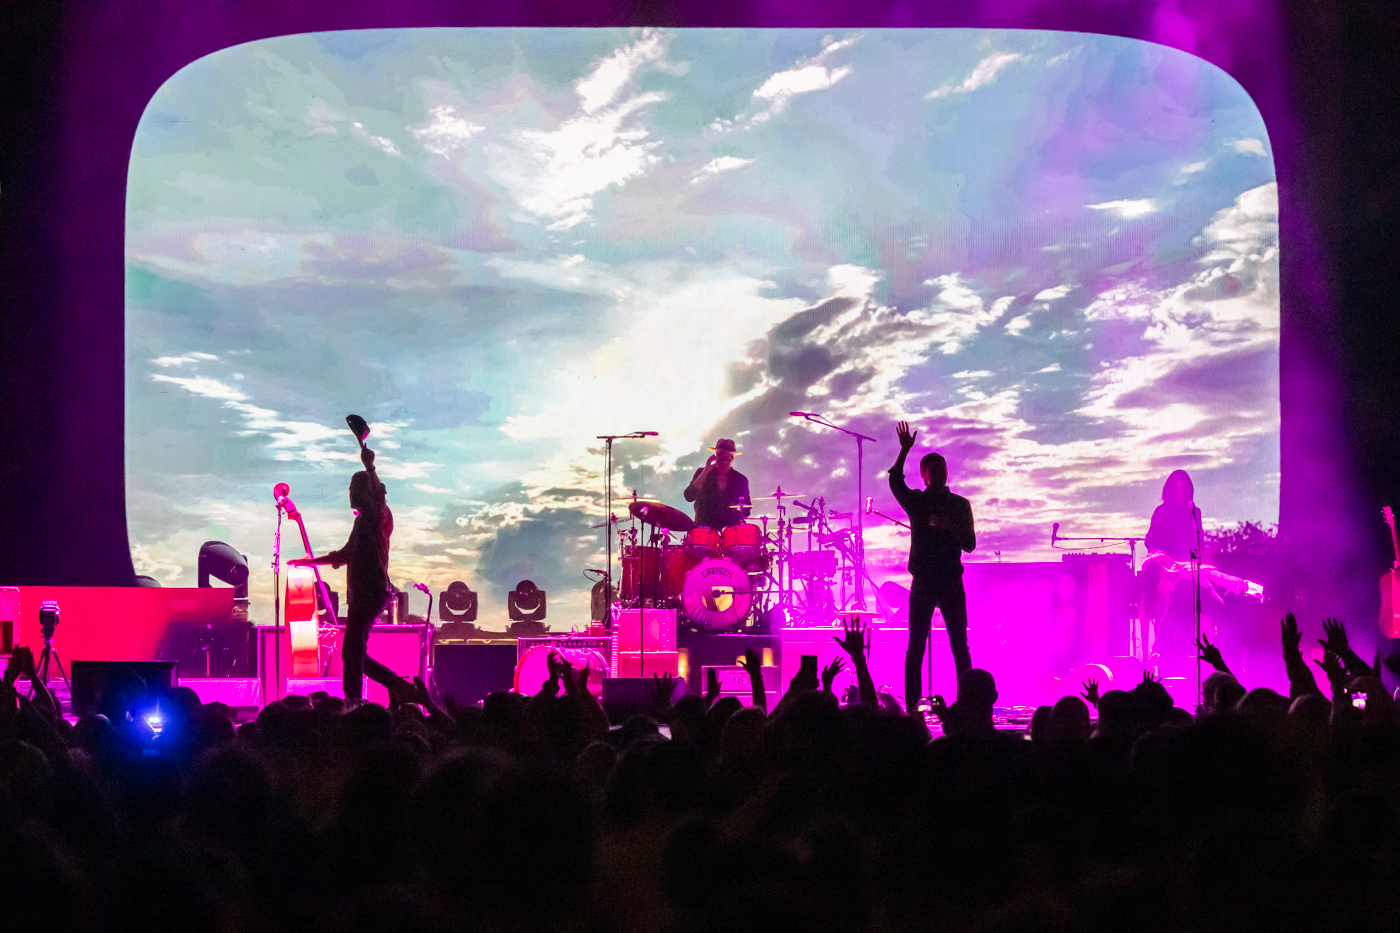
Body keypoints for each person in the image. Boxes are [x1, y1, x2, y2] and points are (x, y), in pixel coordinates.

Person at [291, 442, 413, 704]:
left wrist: (370, 467)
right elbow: (346, 554)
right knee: (353, 653)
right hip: (365, 591)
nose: (350, 494)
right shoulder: (363, 521)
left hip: (370, 590)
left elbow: (378, 496)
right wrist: (310, 562)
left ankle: (355, 702)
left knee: (352, 652)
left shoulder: (376, 514)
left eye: (354, 488)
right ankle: (395, 686)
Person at [889, 421, 976, 715]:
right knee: (916, 647)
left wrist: (950, 525)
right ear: (924, 475)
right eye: (934, 471)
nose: (940, 474)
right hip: (925, 581)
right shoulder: (917, 502)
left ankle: (968, 707)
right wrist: (904, 451)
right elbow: (895, 483)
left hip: (950, 580)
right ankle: (913, 710)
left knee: (959, 646)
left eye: (943, 470)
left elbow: (970, 544)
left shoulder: (959, 505)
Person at [1140, 470, 1262, 669]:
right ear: (1170, 490)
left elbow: (1200, 541)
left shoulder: (1194, 512)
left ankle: (1186, 659)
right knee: (1178, 615)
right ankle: (1169, 658)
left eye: (1184, 488)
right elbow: (1151, 542)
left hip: (1193, 572)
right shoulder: (1161, 512)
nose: (1180, 492)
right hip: (1172, 569)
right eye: (1177, 488)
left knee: (1194, 615)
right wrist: (1165, 562)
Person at [683, 438, 752, 529]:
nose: (722, 461)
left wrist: (737, 514)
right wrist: (706, 471)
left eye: (725, 457)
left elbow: (746, 510)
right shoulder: (702, 473)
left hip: (729, 531)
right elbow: (689, 496)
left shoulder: (740, 480)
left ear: (732, 458)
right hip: (703, 530)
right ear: (714, 457)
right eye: (719, 456)